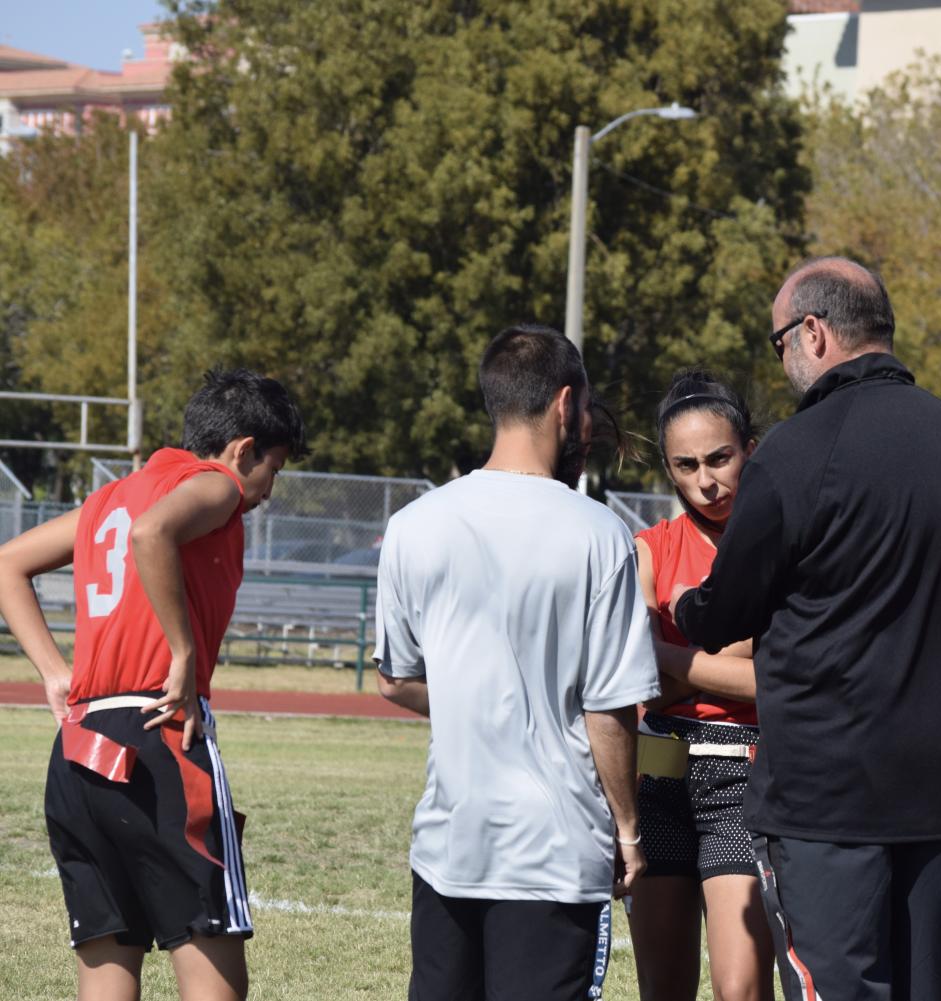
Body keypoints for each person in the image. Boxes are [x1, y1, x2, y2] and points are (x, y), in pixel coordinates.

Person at [671, 257, 941, 1001]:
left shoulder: (794, 450)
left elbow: (726, 614)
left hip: (827, 796)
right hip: (938, 792)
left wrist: (686, 603)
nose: (782, 359)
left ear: (813, 332)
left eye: (778, 342)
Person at [373, 324, 660, 1001]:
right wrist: (627, 828)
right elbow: (609, 708)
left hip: (450, 841)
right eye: (587, 410)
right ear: (566, 406)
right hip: (555, 849)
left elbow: (395, 678)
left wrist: (484, 696)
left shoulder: (416, 524)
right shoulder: (598, 533)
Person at [0, 369, 306, 1001]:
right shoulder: (217, 484)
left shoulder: (113, 495)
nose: (267, 491)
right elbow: (152, 534)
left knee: (108, 970)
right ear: (242, 450)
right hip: (157, 736)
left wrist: (56, 674)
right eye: (272, 469)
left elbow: (8, 562)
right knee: (213, 970)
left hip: (80, 746)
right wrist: (185, 652)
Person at [629, 370, 775, 1001]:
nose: (706, 480)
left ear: (750, 447)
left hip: (744, 772)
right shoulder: (650, 548)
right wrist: (731, 651)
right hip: (657, 771)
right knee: (664, 987)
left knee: (739, 989)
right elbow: (633, 677)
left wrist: (670, 655)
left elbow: (776, 684)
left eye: (720, 458)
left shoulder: (782, 547)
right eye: (685, 465)